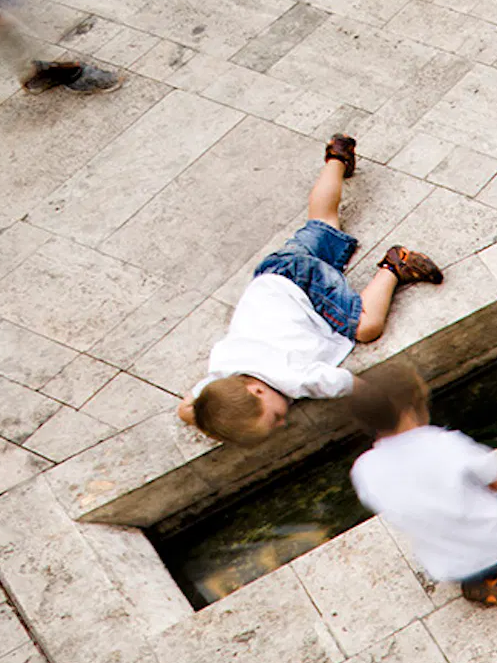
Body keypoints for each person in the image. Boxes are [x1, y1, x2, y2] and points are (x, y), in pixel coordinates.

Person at [178, 134, 446, 443]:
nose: (281, 423)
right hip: (276, 273)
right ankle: (337, 158)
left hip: (307, 290)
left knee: (366, 327)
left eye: (275, 417)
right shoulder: (219, 375)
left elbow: (349, 385)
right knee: (323, 221)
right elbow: (187, 409)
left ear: (258, 389)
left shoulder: (293, 377)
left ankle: (394, 266)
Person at [343, 361, 497, 609]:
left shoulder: (364, 470)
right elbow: (492, 474)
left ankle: (480, 585)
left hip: (452, 565)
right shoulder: (443, 444)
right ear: (408, 411)